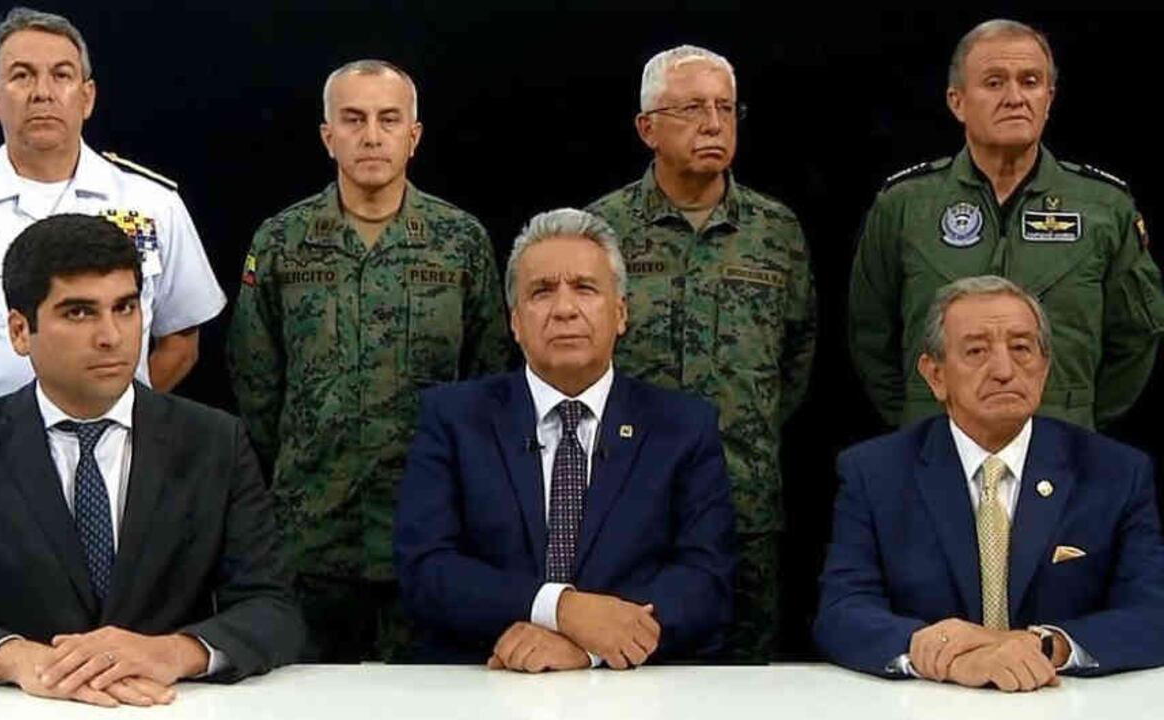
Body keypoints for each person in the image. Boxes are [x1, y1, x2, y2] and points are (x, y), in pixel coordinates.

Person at [0, 214, 301, 706]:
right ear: (20, 330)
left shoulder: (214, 442)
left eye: (125, 308)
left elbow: (274, 608)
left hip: (170, 707)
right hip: (20, 710)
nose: (111, 336)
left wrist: (174, 652)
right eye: (79, 313)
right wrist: (16, 659)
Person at [227, 59, 511, 662]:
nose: (372, 135)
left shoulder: (460, 241)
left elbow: (490, 379)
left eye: (389, 119)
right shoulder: (281, 241)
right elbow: (255, 380)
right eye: (353, 120)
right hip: (310, 532)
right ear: (328, 135)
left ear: (415, 134)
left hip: (432, 529)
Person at [395, 208, 734, 670]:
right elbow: (426, 570)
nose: (564, 308)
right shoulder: (454, 419)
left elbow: (704, 580)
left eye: (585, 288)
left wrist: (588, 648)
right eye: (541, 291)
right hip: (483, 682)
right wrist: (559, 607)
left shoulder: (683, 427)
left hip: (633, 692)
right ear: (515, 322)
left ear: (620, 313)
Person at [816, 275, 1164, 691]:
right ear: (935, 374)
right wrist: (951, 656)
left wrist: (1039, 646)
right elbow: (842, 611)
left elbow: (1153, 613)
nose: (1003, 370)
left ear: (1045, 365)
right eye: (977, 351)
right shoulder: (875, 472)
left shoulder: (1115, 472)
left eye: (1021, 349)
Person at [587, 44, 816, 661]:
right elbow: (574, 365)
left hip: (744, 505)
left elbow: (795, 358)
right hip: (624, 506)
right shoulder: (598, 231)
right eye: (691, 108)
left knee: (741, 685)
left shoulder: (776, 231)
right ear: (647, 128)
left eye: (725, 107)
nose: (714, 124)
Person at [0, 6, 225, 415]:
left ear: (87, 97)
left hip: (117, 460)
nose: (42, 92)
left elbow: (181, 344)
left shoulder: (153, 203)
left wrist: (111, 417)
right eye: (22, 75)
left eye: (61, 75)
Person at [849, 18, 1164, 430]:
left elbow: (1136, 340)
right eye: (995, 82)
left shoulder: (1104, 208)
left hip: (1061, 450)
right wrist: (923, 415)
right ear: (956, 101)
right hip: (934, 448)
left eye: (1030, 81)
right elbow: (870, 334)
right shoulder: (905, 206)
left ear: (1048, 99)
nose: (1015, 97)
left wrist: (1069, 415)